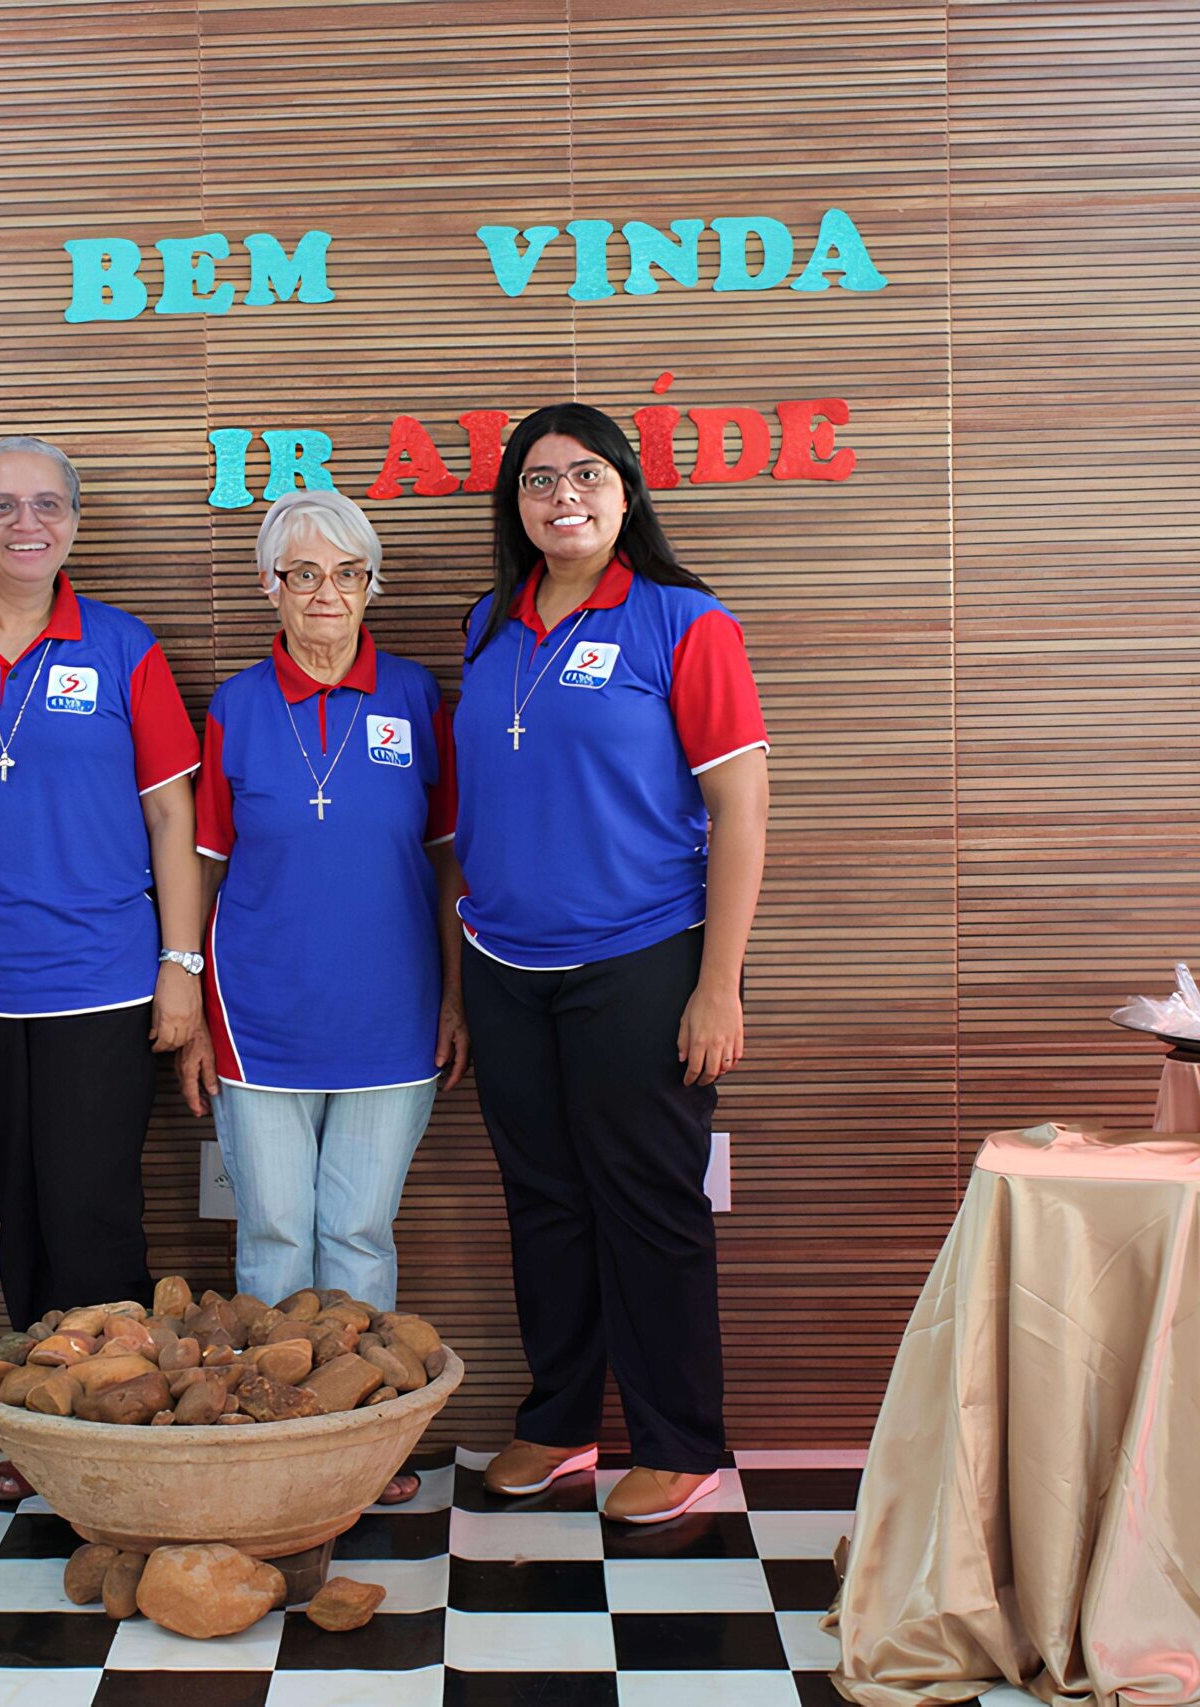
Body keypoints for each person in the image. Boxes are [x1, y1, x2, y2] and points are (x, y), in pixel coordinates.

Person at [452, 403, 771, 1526]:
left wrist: (716, 983)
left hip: (641, 959)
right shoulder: (487, 624)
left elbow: (739, 810)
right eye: (539, 481)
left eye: (586, 474)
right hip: (503, 964)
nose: (563, 496)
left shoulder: (686, 624)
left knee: (647, 1204)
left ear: (626, 492)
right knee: (542, 1202)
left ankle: (680, 1442)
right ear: (516, 506)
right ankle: (560, 1422)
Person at [0, 436, 203, 1502]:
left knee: (95, 1208)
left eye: (48, 506)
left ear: (74, 520)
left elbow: (173, 815)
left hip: (104, 978)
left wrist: (180, 965)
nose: (27, 525)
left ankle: (120, 1433)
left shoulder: (122, 647)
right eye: (1, 507)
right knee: (16, 1208)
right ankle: (41, 1430)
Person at [174, 489, 465, 1507]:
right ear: (271, 588)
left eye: (347, 573)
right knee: (273, 1235)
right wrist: (195, 1013)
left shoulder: (419, 699)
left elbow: (444, 863)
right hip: (258, 1019)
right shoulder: (237, 709)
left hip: (392, 1017)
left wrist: (457, 997)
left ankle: (356, 1442)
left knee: (356, 1235)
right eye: (303, 573)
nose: (326, 593)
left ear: (371, 585)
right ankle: (269, 1435)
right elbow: (203, 867)